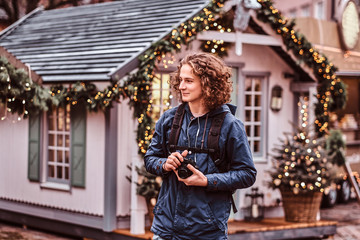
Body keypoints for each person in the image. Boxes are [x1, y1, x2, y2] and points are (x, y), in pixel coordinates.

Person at [144, 52, 256, 240]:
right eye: (180, 80)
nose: (181, 86)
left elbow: (247, 174)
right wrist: (165, 164)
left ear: (207, 83)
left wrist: (206, 180)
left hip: (207, 232)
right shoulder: (169, 120)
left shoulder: (231, 126)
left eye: (189, 81)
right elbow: (150, 159)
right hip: (166, 230)